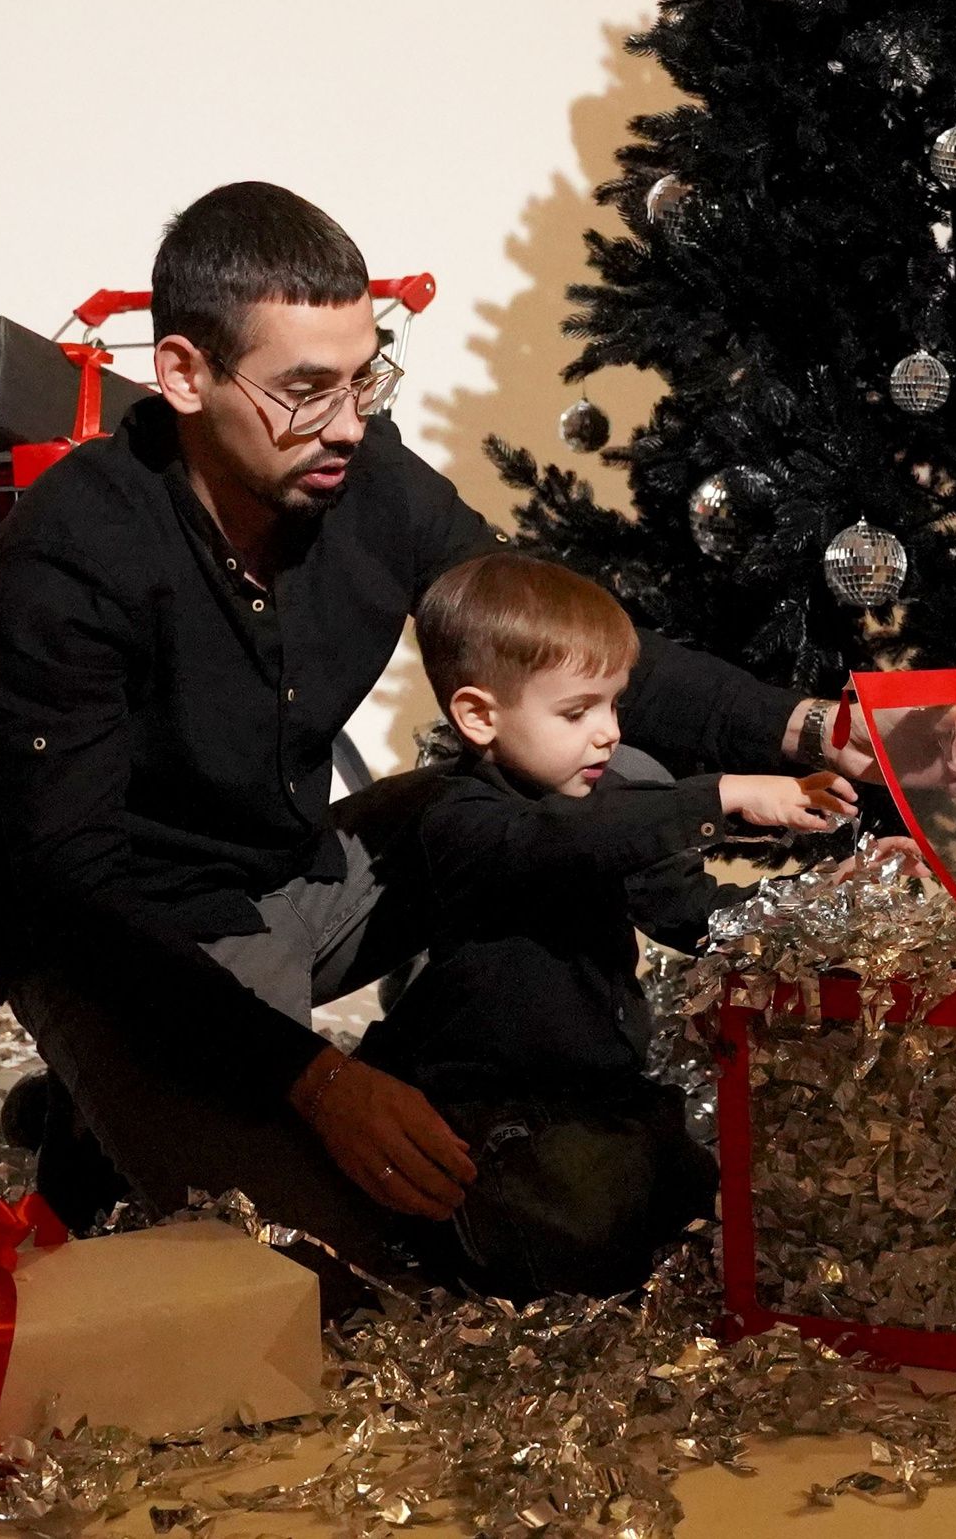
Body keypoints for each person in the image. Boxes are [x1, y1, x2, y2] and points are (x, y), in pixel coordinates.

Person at [0, 181, 956, 1309]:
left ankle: (505, 1101)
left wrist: (812, 727)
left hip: (291, 870)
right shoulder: (70, 556)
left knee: (591, 783)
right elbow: (78, 888)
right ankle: (109, 1101)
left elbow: (550, 656)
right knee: (347, 1285)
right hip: (124, 932)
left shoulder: (368, 484)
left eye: (364, 378)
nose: (348, 423)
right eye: (304, 391)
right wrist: (313, 1082)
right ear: (183, 376)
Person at [352, 553, 856, 1298]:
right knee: (580, 1226)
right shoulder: (460, 819)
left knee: (707, 1205)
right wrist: (719, 795)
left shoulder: (603, 806)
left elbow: (695, 913)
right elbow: (558, 844)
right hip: (502, 1112)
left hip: (604, 1096)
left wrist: (821, 899)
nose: (608, 734)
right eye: (577, 711)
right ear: (478, 715)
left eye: (615, 706)